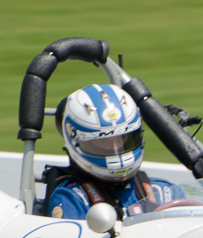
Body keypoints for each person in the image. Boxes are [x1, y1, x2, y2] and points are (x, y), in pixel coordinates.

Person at [45, 83, 187, 219]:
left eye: (122, 138)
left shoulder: (165, 192)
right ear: (75, 140)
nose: (115, 147)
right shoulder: (72, 198)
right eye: (103, 141)